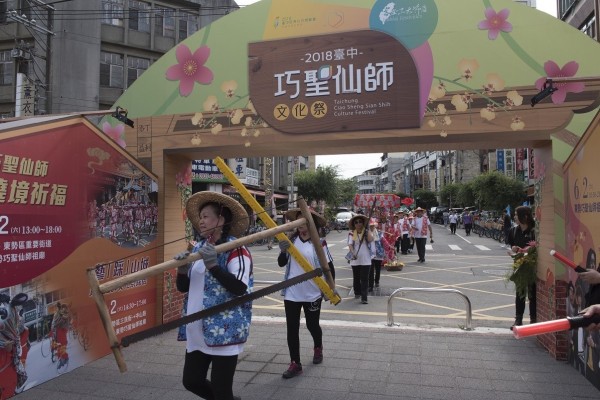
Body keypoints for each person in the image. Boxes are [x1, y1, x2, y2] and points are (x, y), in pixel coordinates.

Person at [175, 191, 253, 400]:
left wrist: (213, 266)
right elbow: (184, 287)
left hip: (224, 329)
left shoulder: (237, 249)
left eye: (206, 216)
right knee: (191, 381)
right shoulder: (199, 247)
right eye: (200, 217)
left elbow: (239, 287)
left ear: (221, 219)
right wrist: (182, 269)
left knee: (221, 390)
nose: (201, 221)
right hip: (196, 329)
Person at [277, 208, 335, 379]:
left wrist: (332, 288)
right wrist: (282, 251)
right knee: (292, 329)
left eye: (304, 221)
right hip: (292, 292)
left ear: (312, 223)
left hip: (313, 292)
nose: (301, 225)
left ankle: (318, 347)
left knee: (312, 325)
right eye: (299, 221)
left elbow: (329, 267)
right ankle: (295, 363)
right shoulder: (291, 240)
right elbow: (281, 263)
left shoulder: (320, 243)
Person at [506, 205, 536, 330]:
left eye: (516, 215)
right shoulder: (514, 231)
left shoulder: (534, 231)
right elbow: (512, 246)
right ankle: (518, 320)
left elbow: (538, 248)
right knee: (520, 294)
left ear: (525, 216)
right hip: (519, 267)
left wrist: (530, 250)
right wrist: (514, 249)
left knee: (533, 295)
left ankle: (534, 320)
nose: (514, 217)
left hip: (532, 267)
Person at [348, 214, 373, 304]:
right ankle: (357, 292)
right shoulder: (351, 233)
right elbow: (350, 244)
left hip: (366, 259)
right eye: (356, 222)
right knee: (356, 277)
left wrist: (368, 229)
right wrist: (352, 252)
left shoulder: (366, 232)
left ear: (363, 223)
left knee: (365, 278)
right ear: (354, 224)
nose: (358, 224)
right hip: (355, 259)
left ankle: (364, 297)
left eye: (360, 222)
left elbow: (370, 239)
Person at [368, 218, 384, 291]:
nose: (371, 227)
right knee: (370, 270)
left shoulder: (379, 233)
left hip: (378, 253)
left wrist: (389, 247)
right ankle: (370, 286)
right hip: (370, 254)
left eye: (373, 226)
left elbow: (384, 241)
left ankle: (377, 281)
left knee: (378, 269)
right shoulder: (367, 234)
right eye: (370, 226)